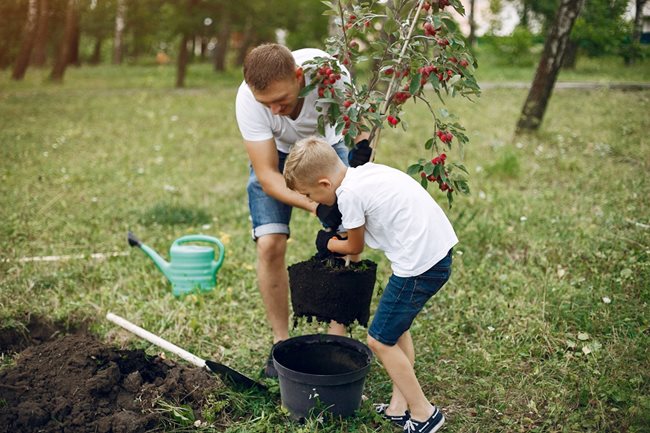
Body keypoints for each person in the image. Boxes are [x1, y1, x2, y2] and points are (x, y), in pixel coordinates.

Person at [283, 136, 456, 433]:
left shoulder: (348, 195)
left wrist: (326, 242)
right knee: (396, 330)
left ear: (325, 184)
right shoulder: (363, 171)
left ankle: (425, 413)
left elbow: (353, 245)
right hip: (434, 253)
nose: (313, 203)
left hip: (419, 266)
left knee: (378, 340)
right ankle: (398, 407)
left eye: (311, 196)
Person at [235, 43, 370, 378]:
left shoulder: (330, 75)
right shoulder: (247, 100)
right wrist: (314, 206)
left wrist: (362, 154)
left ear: (299, 76)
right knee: (269, 244)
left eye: (281, 99)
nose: (276, 110)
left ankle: (336, 338)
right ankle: (281, 344)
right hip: (278, 156)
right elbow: (267, 175)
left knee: (346, 230)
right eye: (266, 104)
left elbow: (361, 126)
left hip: (326, 148)